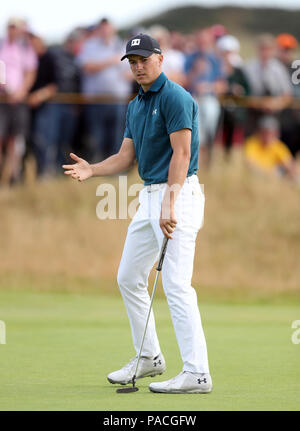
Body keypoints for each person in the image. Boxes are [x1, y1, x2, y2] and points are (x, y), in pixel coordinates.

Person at [63, 34, 212, 394]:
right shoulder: (136, 105)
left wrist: (170, 203)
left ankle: (197, 373)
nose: (138, 66)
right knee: (129, 276)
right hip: (148, 197)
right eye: (132, 62)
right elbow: (125, 158)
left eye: (144, 59)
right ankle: (149, 357)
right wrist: (92, 170)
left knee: (176, 285)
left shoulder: (176, 97)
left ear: (160, 58)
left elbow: (182, 153)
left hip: (178, 195)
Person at [0, 17, 37, 185]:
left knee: (17, 139)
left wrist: (21, 91)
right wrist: (6, 88)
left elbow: (30, 72)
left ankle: (14, 176)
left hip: (19, 100)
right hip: (2, 99)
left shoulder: (26, 48)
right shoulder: (1, 45)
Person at [245, 116, 297, 181]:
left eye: (271, 133)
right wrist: (268, 173)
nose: (268, 135)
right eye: (265, 132)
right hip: (256, 177)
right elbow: (249, 164)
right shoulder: (252, 143)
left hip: (273, 177)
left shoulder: (278, 146)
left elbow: (290, 165)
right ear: (260, 132)